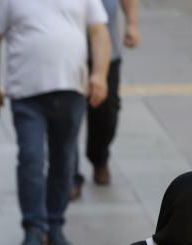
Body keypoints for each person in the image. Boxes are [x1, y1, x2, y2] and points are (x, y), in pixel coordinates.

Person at [0, 0, 111, 245]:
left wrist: (100, 74)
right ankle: (34, 229)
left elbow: (99, 31)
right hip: (26, 94)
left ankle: (55, 225)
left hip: (71, 90)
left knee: (64, 160)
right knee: (31, 159)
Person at [73, 0, 140, 194]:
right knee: (66, 118)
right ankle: (70, 175)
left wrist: (132, 24)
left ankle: (99, 156)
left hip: (107, 54)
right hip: (67, 58)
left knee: (107, 115)